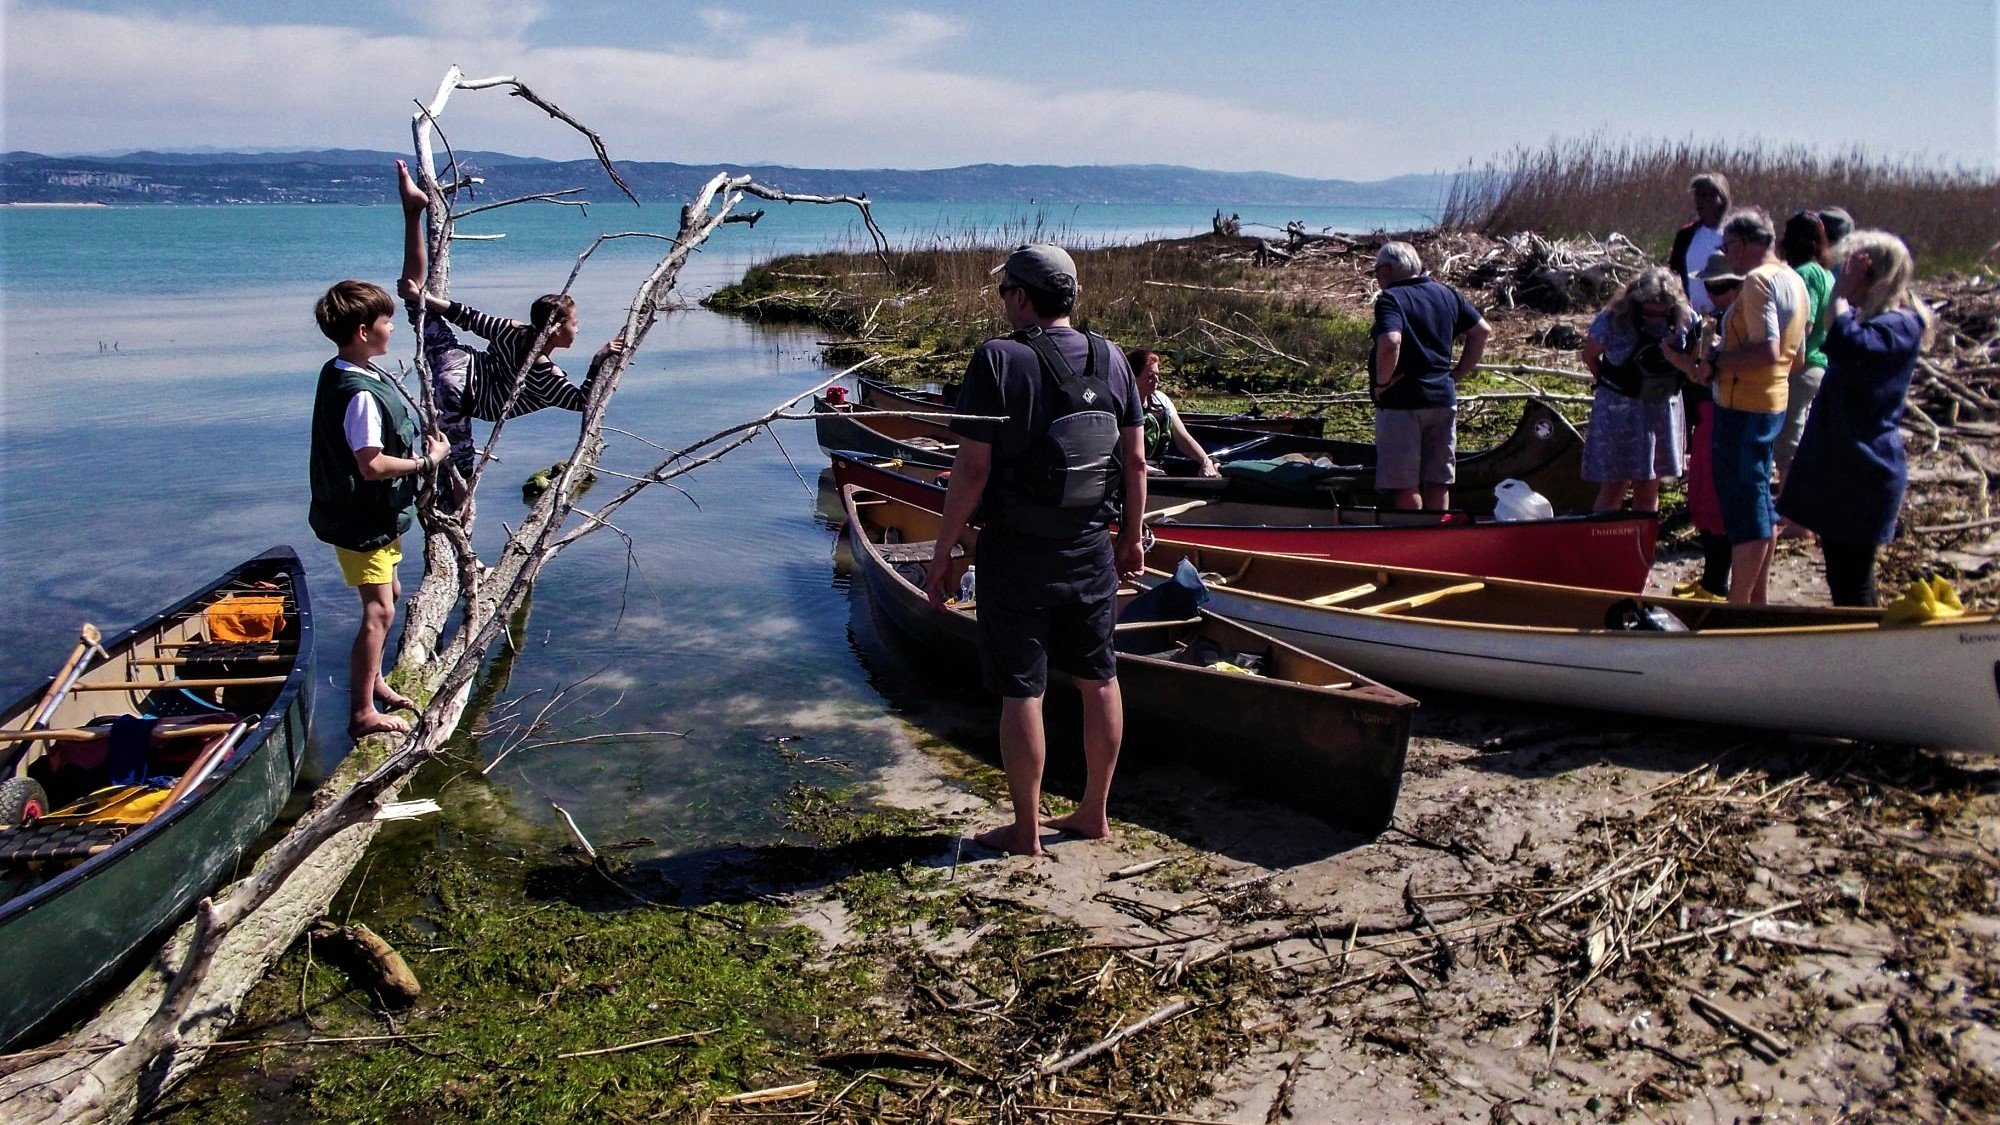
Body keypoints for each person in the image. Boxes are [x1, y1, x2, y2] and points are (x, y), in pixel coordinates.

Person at [922, 245, 1146, 858]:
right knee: (1099, 676)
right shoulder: (1113, 358)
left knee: (1023, 688)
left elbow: (971, 470)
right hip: (1090, 546)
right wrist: (1131, 535)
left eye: (1005, 292)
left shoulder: (999, 358)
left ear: (1021, 296)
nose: (1003, 302)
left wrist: (944, 554)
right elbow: (1133, 460)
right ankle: (1094, 813)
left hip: (1018, 550)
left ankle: (1026, 831)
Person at [395, 161, 624, 505]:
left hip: (453, 361)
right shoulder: (547, 374)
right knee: (459, 474)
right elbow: (583, 403)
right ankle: (455, 529)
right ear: (557, 328)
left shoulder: (514, 331)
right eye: (575, 323)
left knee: (414, 300)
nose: (579, 328)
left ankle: (413, 214)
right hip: (462, 399)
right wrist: (597, 361)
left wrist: (423, 299)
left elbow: (465, 316)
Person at [308, 280, 450, 739]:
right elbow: (370, 465)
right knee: (380, 612)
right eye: (388, 321)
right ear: (366, 330)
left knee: (390, 592)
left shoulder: (347, 370)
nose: (393, 327)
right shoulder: (360, 394)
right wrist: (427, 462)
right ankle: (362, 713)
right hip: (359, 519)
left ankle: (375, 681)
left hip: (371, 517)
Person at [1777, 231, 1935, 606]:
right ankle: (1858, 650)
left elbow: (1850, 346)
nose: (1839, 279)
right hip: (1846, 465)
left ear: (1872, 274)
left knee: (1853, 579)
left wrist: (1841, 297)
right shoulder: (1874, 321)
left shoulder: (1900, 324)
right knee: (1841, 576)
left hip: (1865, 468)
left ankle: (1864, 654)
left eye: (1848, 271)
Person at [1688, 209, 1810, 605]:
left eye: (1727, 247)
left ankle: (1739, 603)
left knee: (1745, 507)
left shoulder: (1759, 281)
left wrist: (1718, 361)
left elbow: (1768, 349)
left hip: (1744, 405)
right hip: (1772, 401)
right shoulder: (1796, 279)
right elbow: (1798, 356)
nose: (1728, 256)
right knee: (1758, 497)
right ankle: (1756, 598)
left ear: (1740, 244)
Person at [1367, 241, 1491, 510]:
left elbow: (1390, 343)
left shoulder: (1391, 299)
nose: (1377, 278)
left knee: (1404, 484)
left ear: (1387, 269)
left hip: (1403, 402)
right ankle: (1437, 537)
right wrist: (1458, 373)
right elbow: (1482, 331)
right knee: (1437, 481)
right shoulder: (1446, 293)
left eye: (1377, 271)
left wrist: (1381, 384)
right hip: (1442, 399)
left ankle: (1411, 539)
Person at [1579, 267, 1698, 514]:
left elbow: (1698, 357)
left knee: (1649, 486)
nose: (1656, 318)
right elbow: (1590, 355)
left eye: (1662, 313)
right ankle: (1603, 545)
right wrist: (1612, 385)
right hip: (1620, 411)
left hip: (1662, 410)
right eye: (1650, 312)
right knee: (1614, 486)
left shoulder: (1685, 317)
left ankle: (1642, 546)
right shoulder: (1612, 318)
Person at [1672, 252, 1746, 600]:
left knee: (1719, 501)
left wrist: (1701, 362)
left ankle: (1719, 583)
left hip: (1729, 414)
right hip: (1709, 413)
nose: (1714, 294)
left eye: (1721, 287)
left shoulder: (1743, 323)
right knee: (1702, 496)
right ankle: (1711, 579)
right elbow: (1700, 374)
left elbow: (1709, 373)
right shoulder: (1716, 321)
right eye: (1711, 287)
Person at [1774, 210, 1835, 484]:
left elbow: (1803, 324)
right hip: (1820, 363)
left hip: (1803, 365)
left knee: (1789, 441)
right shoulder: (1827, 274)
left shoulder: (1806, 274)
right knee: (1803, 436)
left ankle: (1791, 513)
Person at [1127, 347, 1220, 477]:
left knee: (1214, 464)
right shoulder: (1122, 403)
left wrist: (1205, 460)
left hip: (1159, 465)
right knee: (1157, 475)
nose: (1156, 381)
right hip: (1133, 467)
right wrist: (1144, 467)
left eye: (1157, 375)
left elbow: (1183, 438)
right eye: (1150, 376)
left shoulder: (1161, 399)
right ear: (1133, 378)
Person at [1669, 173, 1731, 316]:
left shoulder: (1733, 234)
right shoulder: (1686, 234)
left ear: (1721, 198)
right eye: (1697, 196)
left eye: (1705, 195)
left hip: (1726, 316)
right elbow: (1674, 273)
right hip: (1691, 316)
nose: (1699, 201)